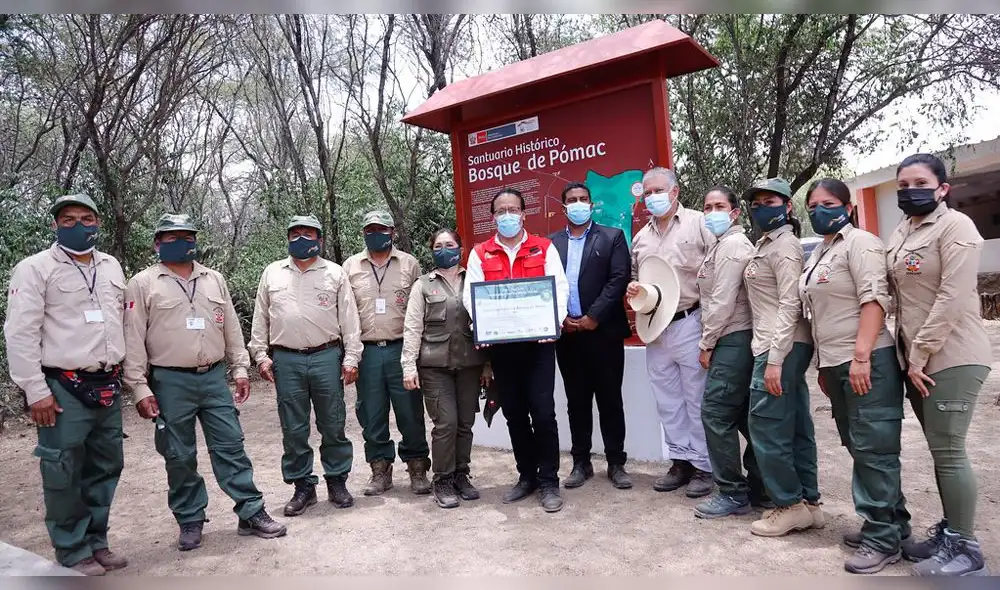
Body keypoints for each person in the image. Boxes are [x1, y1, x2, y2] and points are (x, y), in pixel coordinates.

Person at [123, 213, 286, 552]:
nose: (182, 242)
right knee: (178, 455)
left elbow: (229, 328)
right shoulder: (143, 283)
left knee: (231, 446)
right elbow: (133, 337)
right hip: (169, 380)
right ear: (157, 244)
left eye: (187, 236)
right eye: (172, 237)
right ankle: (190, 519)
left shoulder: (214, 279)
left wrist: (240, 368)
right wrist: (139, 386)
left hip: (213, 377)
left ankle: (251, 512)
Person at [3, 194, 128, 576]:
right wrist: (34, 389)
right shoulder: (35, 268)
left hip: (106, 383)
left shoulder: (111, 266)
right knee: (62, 468)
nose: (78, 225)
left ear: (98, 223)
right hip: (61, 386)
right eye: (68, 219)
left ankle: (97, 541)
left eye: (86, 218)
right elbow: (21, 332)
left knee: (105, 465)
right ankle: (72, 549)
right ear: (56, 225)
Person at [886, 153, 993, 577]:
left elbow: (951, 298)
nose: (910, 190)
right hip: (918, 359)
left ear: (943, 188)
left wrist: (919, 354)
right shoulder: (903, 230)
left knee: (949, 451)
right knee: (939, 450)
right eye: (903, 184)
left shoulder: (957, 227)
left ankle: (967, 551)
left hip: (950, 357)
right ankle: (951, 533)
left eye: (920, 182)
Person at [800, 178, 912, 574]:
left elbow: (874, 299)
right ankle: (893, 524)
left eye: (828, 203)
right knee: (860, 444)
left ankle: (882, 539)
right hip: (837, 363)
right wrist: (827, 368)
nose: (818, 210)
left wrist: (861, 356)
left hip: (866, 359)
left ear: (848, 208)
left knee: (874, 447)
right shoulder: (821, 250)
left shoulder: (860, 243)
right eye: (812, 205)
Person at [248, 215, 364, 516]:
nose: (302, 238)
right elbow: (260, 317)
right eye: (296, 233)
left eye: (308, 233)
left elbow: (349, 320)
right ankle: (303, 487)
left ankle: (337, 481)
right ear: (287, 239)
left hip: (327, 355)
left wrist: (352, 357)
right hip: (286, 358)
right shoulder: (272, 273)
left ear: (320, 239)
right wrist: (260, 355)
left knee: (333, 423)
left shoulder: (335, 274)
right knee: (293, 427)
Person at [462, 187, 569, 513]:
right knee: (514, 414)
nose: (507, 216)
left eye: (513, 210)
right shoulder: (481, 253)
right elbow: (471, 296)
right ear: (493, 217)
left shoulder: (544, 248)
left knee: (543, 412)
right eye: (501, 211)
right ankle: (527, 477)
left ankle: (549, 481)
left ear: (524, 214)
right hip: (503, 348)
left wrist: (552, 322)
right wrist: (482, 326)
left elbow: (559, 288)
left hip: (539, 345)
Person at [741, 177, 822, 537]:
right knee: (794, 423)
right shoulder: (768, 244)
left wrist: (774, 358)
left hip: (779, 345)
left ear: (788, 206)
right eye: (756, 202)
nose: (761, 207)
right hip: (783, 344)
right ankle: (809, 504)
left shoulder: (784, 247)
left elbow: (791, 302)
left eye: (770, 201)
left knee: (767, 425)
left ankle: (787, 504)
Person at [627, 167, 716, 498]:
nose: (651, 197)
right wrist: (633, 289)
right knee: (667, 400)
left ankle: (705, 467)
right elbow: (635, 278)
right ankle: (680, 462)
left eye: (657, 191)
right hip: (654, 325)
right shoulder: (640, 238)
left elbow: (718, 271)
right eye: (646, 193)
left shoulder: (699, 224)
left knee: (697, 398)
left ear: (675, 192)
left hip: (691, 321)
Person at [548, 182, 632, 490]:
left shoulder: (612, 237)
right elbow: (547, 285)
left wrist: (592, 317)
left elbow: (618, 278)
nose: (578, 203)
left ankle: (616, 463)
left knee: (610, 399)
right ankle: (581, 463)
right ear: (563, 207)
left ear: (592, 204)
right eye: (572, 200)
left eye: (584, 199)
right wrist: (562, 320)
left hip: (603, 333)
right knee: (576, 402)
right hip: (567, 336)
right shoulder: (551, 243)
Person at [692, 185, 769, 519]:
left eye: (719, 206)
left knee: (715, 413)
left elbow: (722, 302)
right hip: (732, 337)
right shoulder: (722, 245)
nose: (712, 213)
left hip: (731, 338)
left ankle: (733, 492)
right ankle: (762, 485)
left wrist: (706, 343)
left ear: (735, 213)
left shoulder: (733, 246)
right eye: (707, 207)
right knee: (741, 415)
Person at [401, 228, 491, 509]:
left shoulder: (475, 279)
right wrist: (408, 366)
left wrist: (488, 364)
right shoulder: (423, 285)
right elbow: (413, 327)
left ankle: (462, 475)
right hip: (434, 366)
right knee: (446, 424)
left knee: (465, 423)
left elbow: (488, 322)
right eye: (438, 245)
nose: (444, 249)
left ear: (460, 248)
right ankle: (442, 478)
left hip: (470, 365)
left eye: (449, 244)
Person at [343, 210, 430, 496]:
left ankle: (417, 468)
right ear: (363, 233)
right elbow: (345, 315)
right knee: (371, 414)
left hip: (401, 350)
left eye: (382, 229)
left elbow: (421, 311)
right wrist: (350, 357)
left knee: (411, 413)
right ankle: (380, 470)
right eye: (370, 230)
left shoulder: (409, 264)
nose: (376, 234)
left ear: (392, 232)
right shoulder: (350, 267)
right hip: (367, 352)